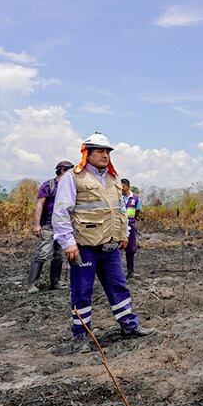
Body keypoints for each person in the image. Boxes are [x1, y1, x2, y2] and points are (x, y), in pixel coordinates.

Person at [51, 131, 155, 354]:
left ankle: (129, 326)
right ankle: (81, 336)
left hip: (110, 247)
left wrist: (124, 233)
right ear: (87, 154)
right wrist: (68, 243)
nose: (105, 155)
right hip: (84, 247)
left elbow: (120, 210)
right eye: (99, 151)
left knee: (119, 287)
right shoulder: (73, 177)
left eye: (107, 151)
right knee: (82, 292)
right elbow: (60, 213)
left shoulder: (113, 179)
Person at [26, 160, 73, 293]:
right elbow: (39, 204)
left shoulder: (69, 187)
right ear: (62, 170)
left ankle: (55, 282)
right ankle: (32, 285)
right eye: (69, 171)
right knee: (42, 254)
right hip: (48, 225)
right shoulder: (49, 185)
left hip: (62, 226)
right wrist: (36, 224)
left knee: (58, 255)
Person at [120, 179, 141, 277]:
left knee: (131, 249)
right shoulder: (118, 197)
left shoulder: (135, 198)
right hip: (119, 225)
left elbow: (137, 211)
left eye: (123, 187)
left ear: (128, 187)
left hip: (131, 225)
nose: (121, 189)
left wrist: (131, 220)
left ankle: (130, 271)